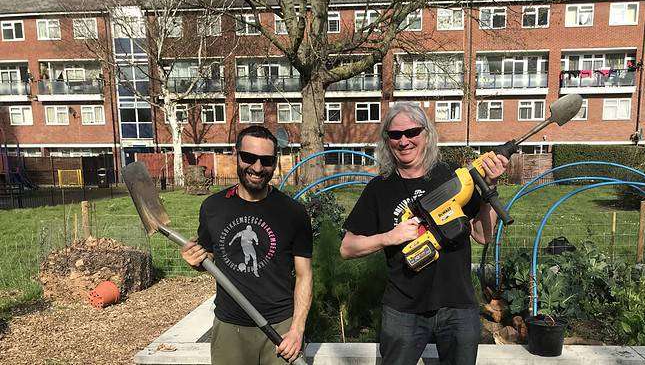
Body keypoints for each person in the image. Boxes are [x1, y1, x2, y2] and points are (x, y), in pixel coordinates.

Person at [340, 103, 508, 364]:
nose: (404, 141)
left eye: (412, 132)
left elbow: (482, 235)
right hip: (403, 309)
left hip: (458, 304)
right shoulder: (379, 189)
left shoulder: (453, 177)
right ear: (387, 141)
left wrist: (490, 187)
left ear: (426, 134)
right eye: (395, 135)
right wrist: (389, 237)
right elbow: (347, 247)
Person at [181, 125, 313, 365]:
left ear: (275, 163)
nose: (257, 167)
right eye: (249, 158)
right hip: (230, 327)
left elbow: (304, 275)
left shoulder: (293, 212)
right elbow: (208, 256)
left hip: (280, 326)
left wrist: (297, 330)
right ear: (236, 155)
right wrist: (196, 261)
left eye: (266, 160)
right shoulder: (213, 207)